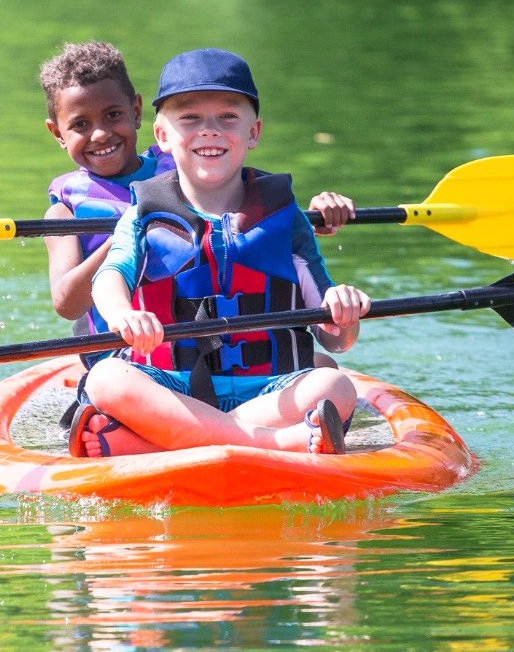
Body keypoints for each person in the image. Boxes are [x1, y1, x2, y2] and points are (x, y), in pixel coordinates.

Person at [71, 47, 366, 458]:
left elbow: (336, 341)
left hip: (269, 388)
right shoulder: (143, 213)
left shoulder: (285, 218)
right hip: (169, 384)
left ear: (254, 132)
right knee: (106, 378)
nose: (209, 130)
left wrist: (343, 312)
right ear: (162, 136)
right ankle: (275, 444)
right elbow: (110, 278)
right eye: (189, 118)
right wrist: (122, 314)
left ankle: (150, 441)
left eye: (228, 117)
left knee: (333, 384)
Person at [38, 41, 173, 336]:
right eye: (80, 125)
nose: (100, 134)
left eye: (113, 115)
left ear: (136, 111)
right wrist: (129, 232)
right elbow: (66, 304)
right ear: (57, 133)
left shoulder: (182, 172)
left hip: (194, 343)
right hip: (119, 354)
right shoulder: (64, 212)